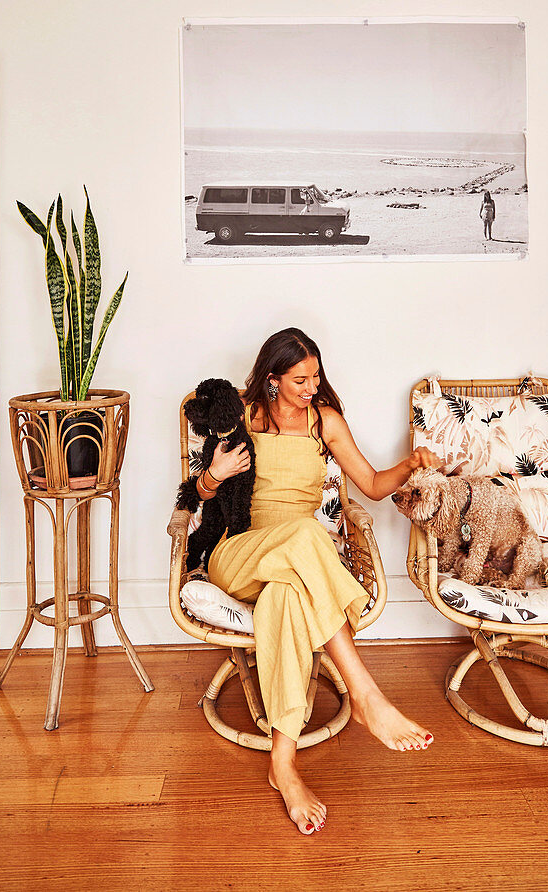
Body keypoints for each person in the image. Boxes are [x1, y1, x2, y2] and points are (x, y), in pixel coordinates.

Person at [194, 327, 442, 836]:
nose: (312, 387)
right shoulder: (242, 415)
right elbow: (198, 493)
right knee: (309, 533)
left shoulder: (323, 423)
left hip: (293, 570)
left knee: (287, 597)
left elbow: (371, 486)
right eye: (300, 379)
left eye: (316, 377)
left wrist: (411, 464)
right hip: (239, 554)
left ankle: (282, 765)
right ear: (272, 379)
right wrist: (215, 474)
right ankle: (367, 695)